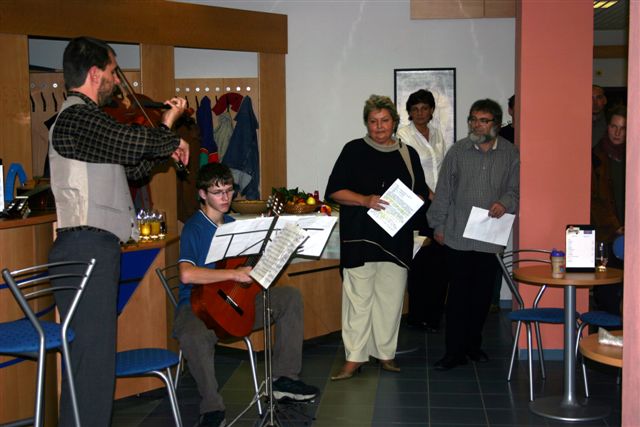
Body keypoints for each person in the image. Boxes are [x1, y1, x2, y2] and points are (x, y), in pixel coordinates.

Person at [47, 36, 190, 426]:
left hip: (95, 248)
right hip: (84, 248)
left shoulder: (93, 124)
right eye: (112, 72)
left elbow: (132, 168)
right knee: (91, 362)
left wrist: (164, 136)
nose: (116, 80)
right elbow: (131, 143)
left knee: (94, 360)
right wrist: (169, 134)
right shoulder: (76, 118)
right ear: (95, 73)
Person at [176, 162, 319, 427]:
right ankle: (212, 408)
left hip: (237, 304)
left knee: (289, 297)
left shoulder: (233, 225)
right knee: (192, 335)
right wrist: (233, 275)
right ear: (202, 194)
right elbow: (186, 274)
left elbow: (246, 270)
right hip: (198, 306)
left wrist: (273, 247)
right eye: (218, 192)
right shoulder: (194, 227)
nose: (226, 197)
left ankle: (284, 380)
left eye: (229, 190)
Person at [325, 94, 429, 379]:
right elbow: (334, 191)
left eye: (384, 121)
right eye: (373, 122)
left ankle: (385, 354)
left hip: (396, 240)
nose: (379, 127)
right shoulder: (353, 150)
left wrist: (411, 200)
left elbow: (421, 192)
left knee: (391, 300)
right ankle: (354, 358)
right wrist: (364, 200)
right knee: (357, 301)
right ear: (366, 123)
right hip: (360, 238)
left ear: (394, 122)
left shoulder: (408, 153)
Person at [427, 99, 520, 371]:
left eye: (483, 120)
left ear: (496, 124)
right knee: (457, 297)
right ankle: (453, 352)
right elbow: (443, 191)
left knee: (481, 298)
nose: (476, 125)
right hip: (457, 235)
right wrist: (438, 226)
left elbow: (515, 188)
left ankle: (473, 346)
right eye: (473, 119)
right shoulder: (458, 151)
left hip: (490, 237)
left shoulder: (510, 153)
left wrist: (504, 203)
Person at [396, 89, 451, 332]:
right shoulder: (403, 135)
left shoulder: (437, 134)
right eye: (415, 109)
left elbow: (445, 167)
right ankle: (418, 316)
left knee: (440, 259)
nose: (420, 113)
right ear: (409, 112)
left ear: (431, 111)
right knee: (420, 260)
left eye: (424, 108)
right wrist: (430, 195)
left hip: (440, 202)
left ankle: (434, 315)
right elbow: (406, 170)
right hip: (417, 202)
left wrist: (444, 197)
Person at [591, 106, 626, 315]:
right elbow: (594, 200)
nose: (617, 132)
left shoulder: (633, 156)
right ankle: (602, 339)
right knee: (606, 290)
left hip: (631, 232)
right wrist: (616, 226)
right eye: (614, 126)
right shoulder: (596, 156)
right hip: (605, 235)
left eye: (623, 128)